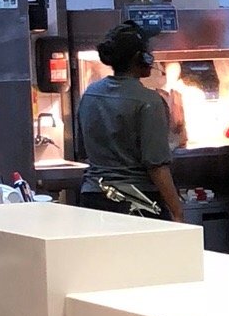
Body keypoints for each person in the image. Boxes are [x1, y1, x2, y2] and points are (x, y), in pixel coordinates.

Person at [75, 21, 184, 223]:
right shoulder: (149, 101)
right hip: (137, 201)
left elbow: (82, 151)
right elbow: (156, 166)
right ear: (138, 58)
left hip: (93, 198)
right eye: (147, 53)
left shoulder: (90, 94)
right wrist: (177, 211)